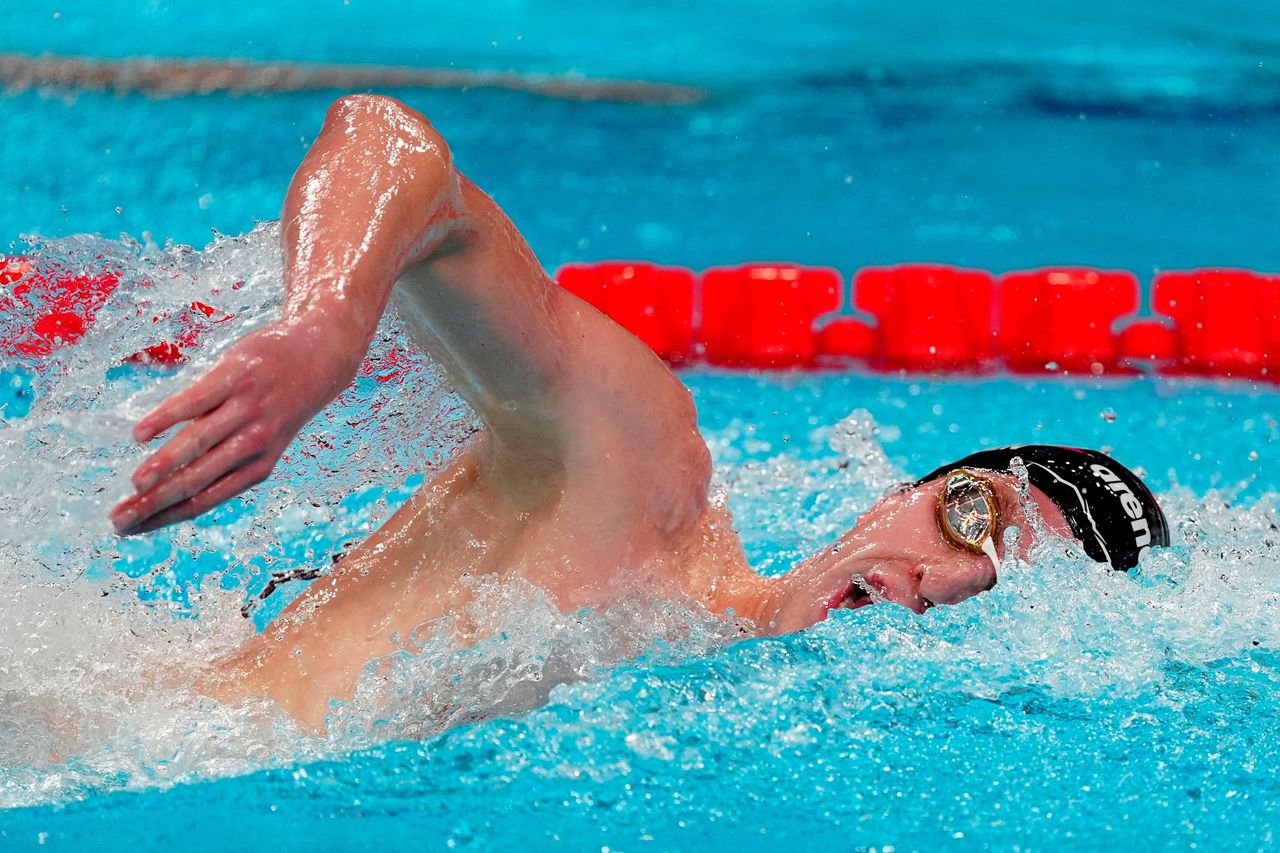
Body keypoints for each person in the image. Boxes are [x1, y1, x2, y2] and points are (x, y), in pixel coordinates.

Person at [106, 95, 1170, 733]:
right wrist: (326, 325)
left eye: (998, 592)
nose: (940, 583)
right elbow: (393, 145)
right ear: (900, 490)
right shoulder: (639, 485)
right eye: (970, 517)